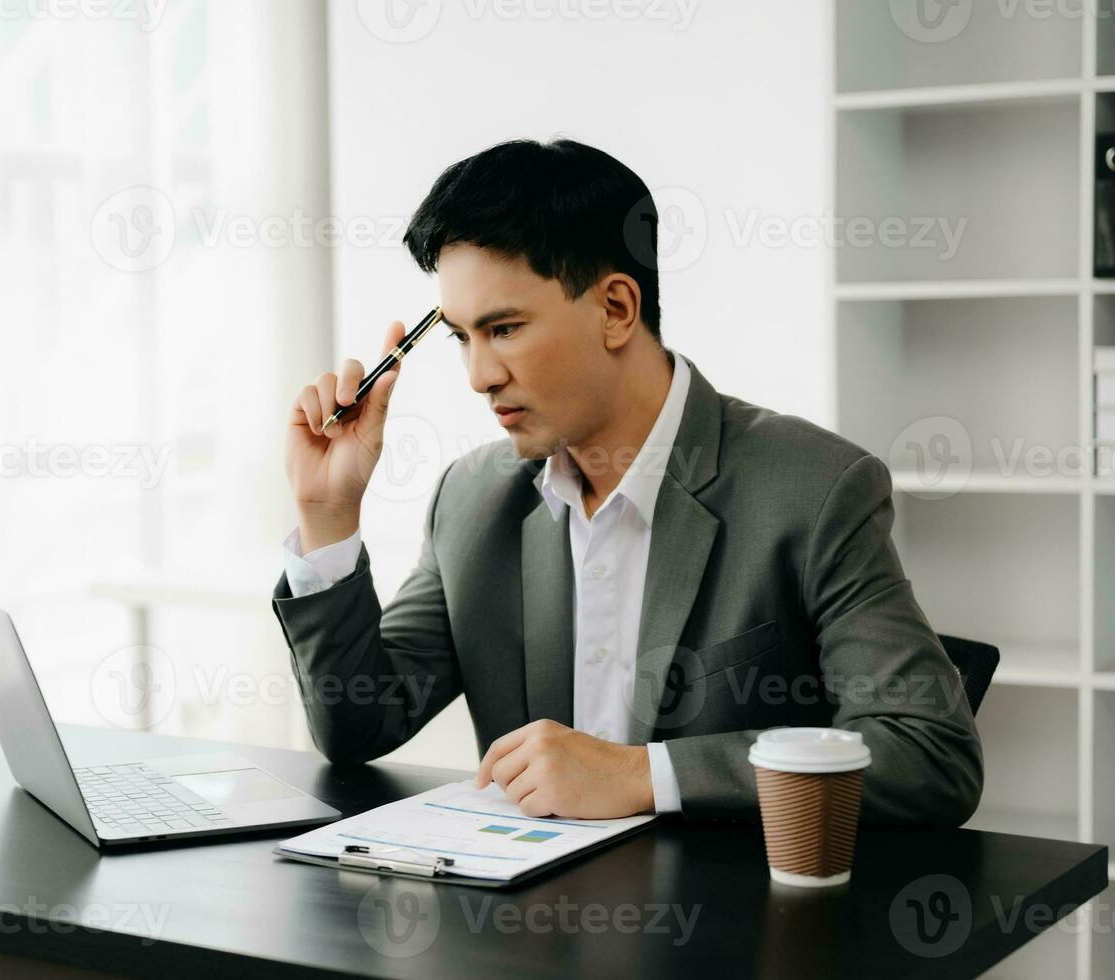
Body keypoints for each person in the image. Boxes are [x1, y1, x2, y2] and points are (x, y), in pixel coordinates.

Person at [272, 138, 982, 824]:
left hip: (732, 926)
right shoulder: (472, 498)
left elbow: (927, 756)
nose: (479, 376)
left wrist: (641, 775)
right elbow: (359, 726)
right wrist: (327, 516)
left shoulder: (814, 488)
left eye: (506, 329)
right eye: (462, 336)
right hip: (524, 928)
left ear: (615, 309)